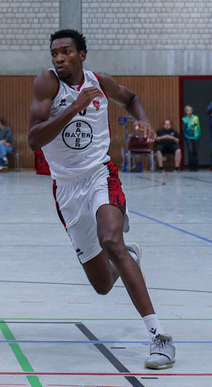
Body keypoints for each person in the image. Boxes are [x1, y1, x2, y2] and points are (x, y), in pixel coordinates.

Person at [28, 28, 174, 370]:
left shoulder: (101, 82)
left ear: (82, 55)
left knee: (112, 240)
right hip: (66, 187)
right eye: (54, 53)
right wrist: (74, 107)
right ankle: (128, 257)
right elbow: (34, 139)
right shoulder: (47, 84)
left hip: (100, 174)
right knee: (103, 284)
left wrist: (145, 122)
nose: (58, 58)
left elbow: (132, 97)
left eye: (65, 51)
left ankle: (160, 337)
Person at [181, 106, 200, 172]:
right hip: (188, 136)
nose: (190, 112)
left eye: (191, 110)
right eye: (188, 111)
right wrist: (185, 135)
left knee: (196, 151)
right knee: (190, 150)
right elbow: (184, 128)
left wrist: (198, 134)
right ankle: (191, 165)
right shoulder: (184, 119)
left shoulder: (196, 117)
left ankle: (196, 166)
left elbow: (198, 126)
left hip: (195, 135)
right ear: (186, 112)